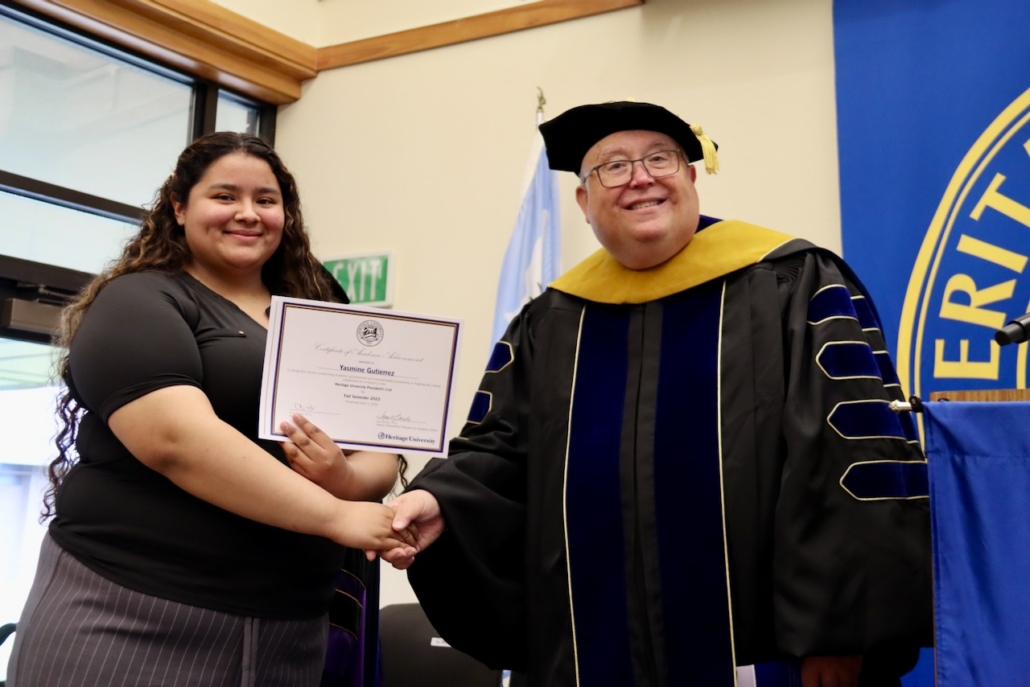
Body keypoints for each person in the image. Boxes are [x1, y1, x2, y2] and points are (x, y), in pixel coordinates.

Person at [380, 102, 933, 687]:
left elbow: (851, 455)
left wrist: (840, 633)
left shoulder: (792, 284)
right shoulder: (551, 321)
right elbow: (500, 449)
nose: (640, 178)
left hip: (773, 653)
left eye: (659, 159)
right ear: (584, 202)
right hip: (589, 652)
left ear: (690, 176)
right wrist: (442, 498)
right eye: (613, 167)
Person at [7, 132, 414, 687]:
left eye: (266, 200)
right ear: (179, 207)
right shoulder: (139, 300)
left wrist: (344, 478)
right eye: (225, 196)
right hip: (131, 612)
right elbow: (176, 442)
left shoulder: (320, 308)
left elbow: (379, 442)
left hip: (290, 627)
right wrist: (338, 516)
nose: (248, 213)